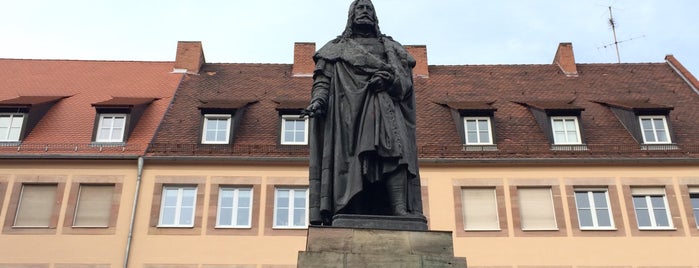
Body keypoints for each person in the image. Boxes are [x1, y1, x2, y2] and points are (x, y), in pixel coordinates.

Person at [303, 0, 423, 226]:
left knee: (396, 153)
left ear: (375, 17)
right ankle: (351, 211)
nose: (365, 12)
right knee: (352, 160)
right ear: (351, 15)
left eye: (370, 9)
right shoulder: (335, 48)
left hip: (386, 107)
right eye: (360, 8)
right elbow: (322, 80)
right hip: (349, 115)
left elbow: (404, 83)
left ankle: (399, 208)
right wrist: (318, 101)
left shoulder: (393, 48)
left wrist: (389, 79)